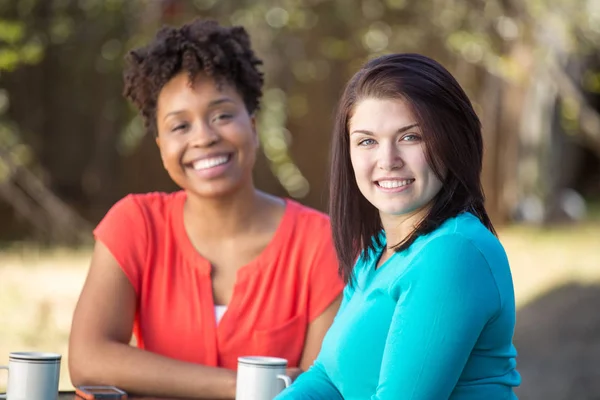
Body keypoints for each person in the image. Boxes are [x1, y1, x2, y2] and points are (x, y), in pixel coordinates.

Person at [68, 19, 344, 399]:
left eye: (222, 116)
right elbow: (88, 359)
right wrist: (242, 386)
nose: (204, 137)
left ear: (254, 125)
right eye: (180, 126)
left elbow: (320, 390)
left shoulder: (321, 243)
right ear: (160, 144)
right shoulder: (135, 225)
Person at [276, 53, 522, 400]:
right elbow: (327, 378)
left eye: (410, 137)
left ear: (451, 141)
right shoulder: (377, 250)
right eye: (367, 141)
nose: (387, 160)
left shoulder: (452, 252)